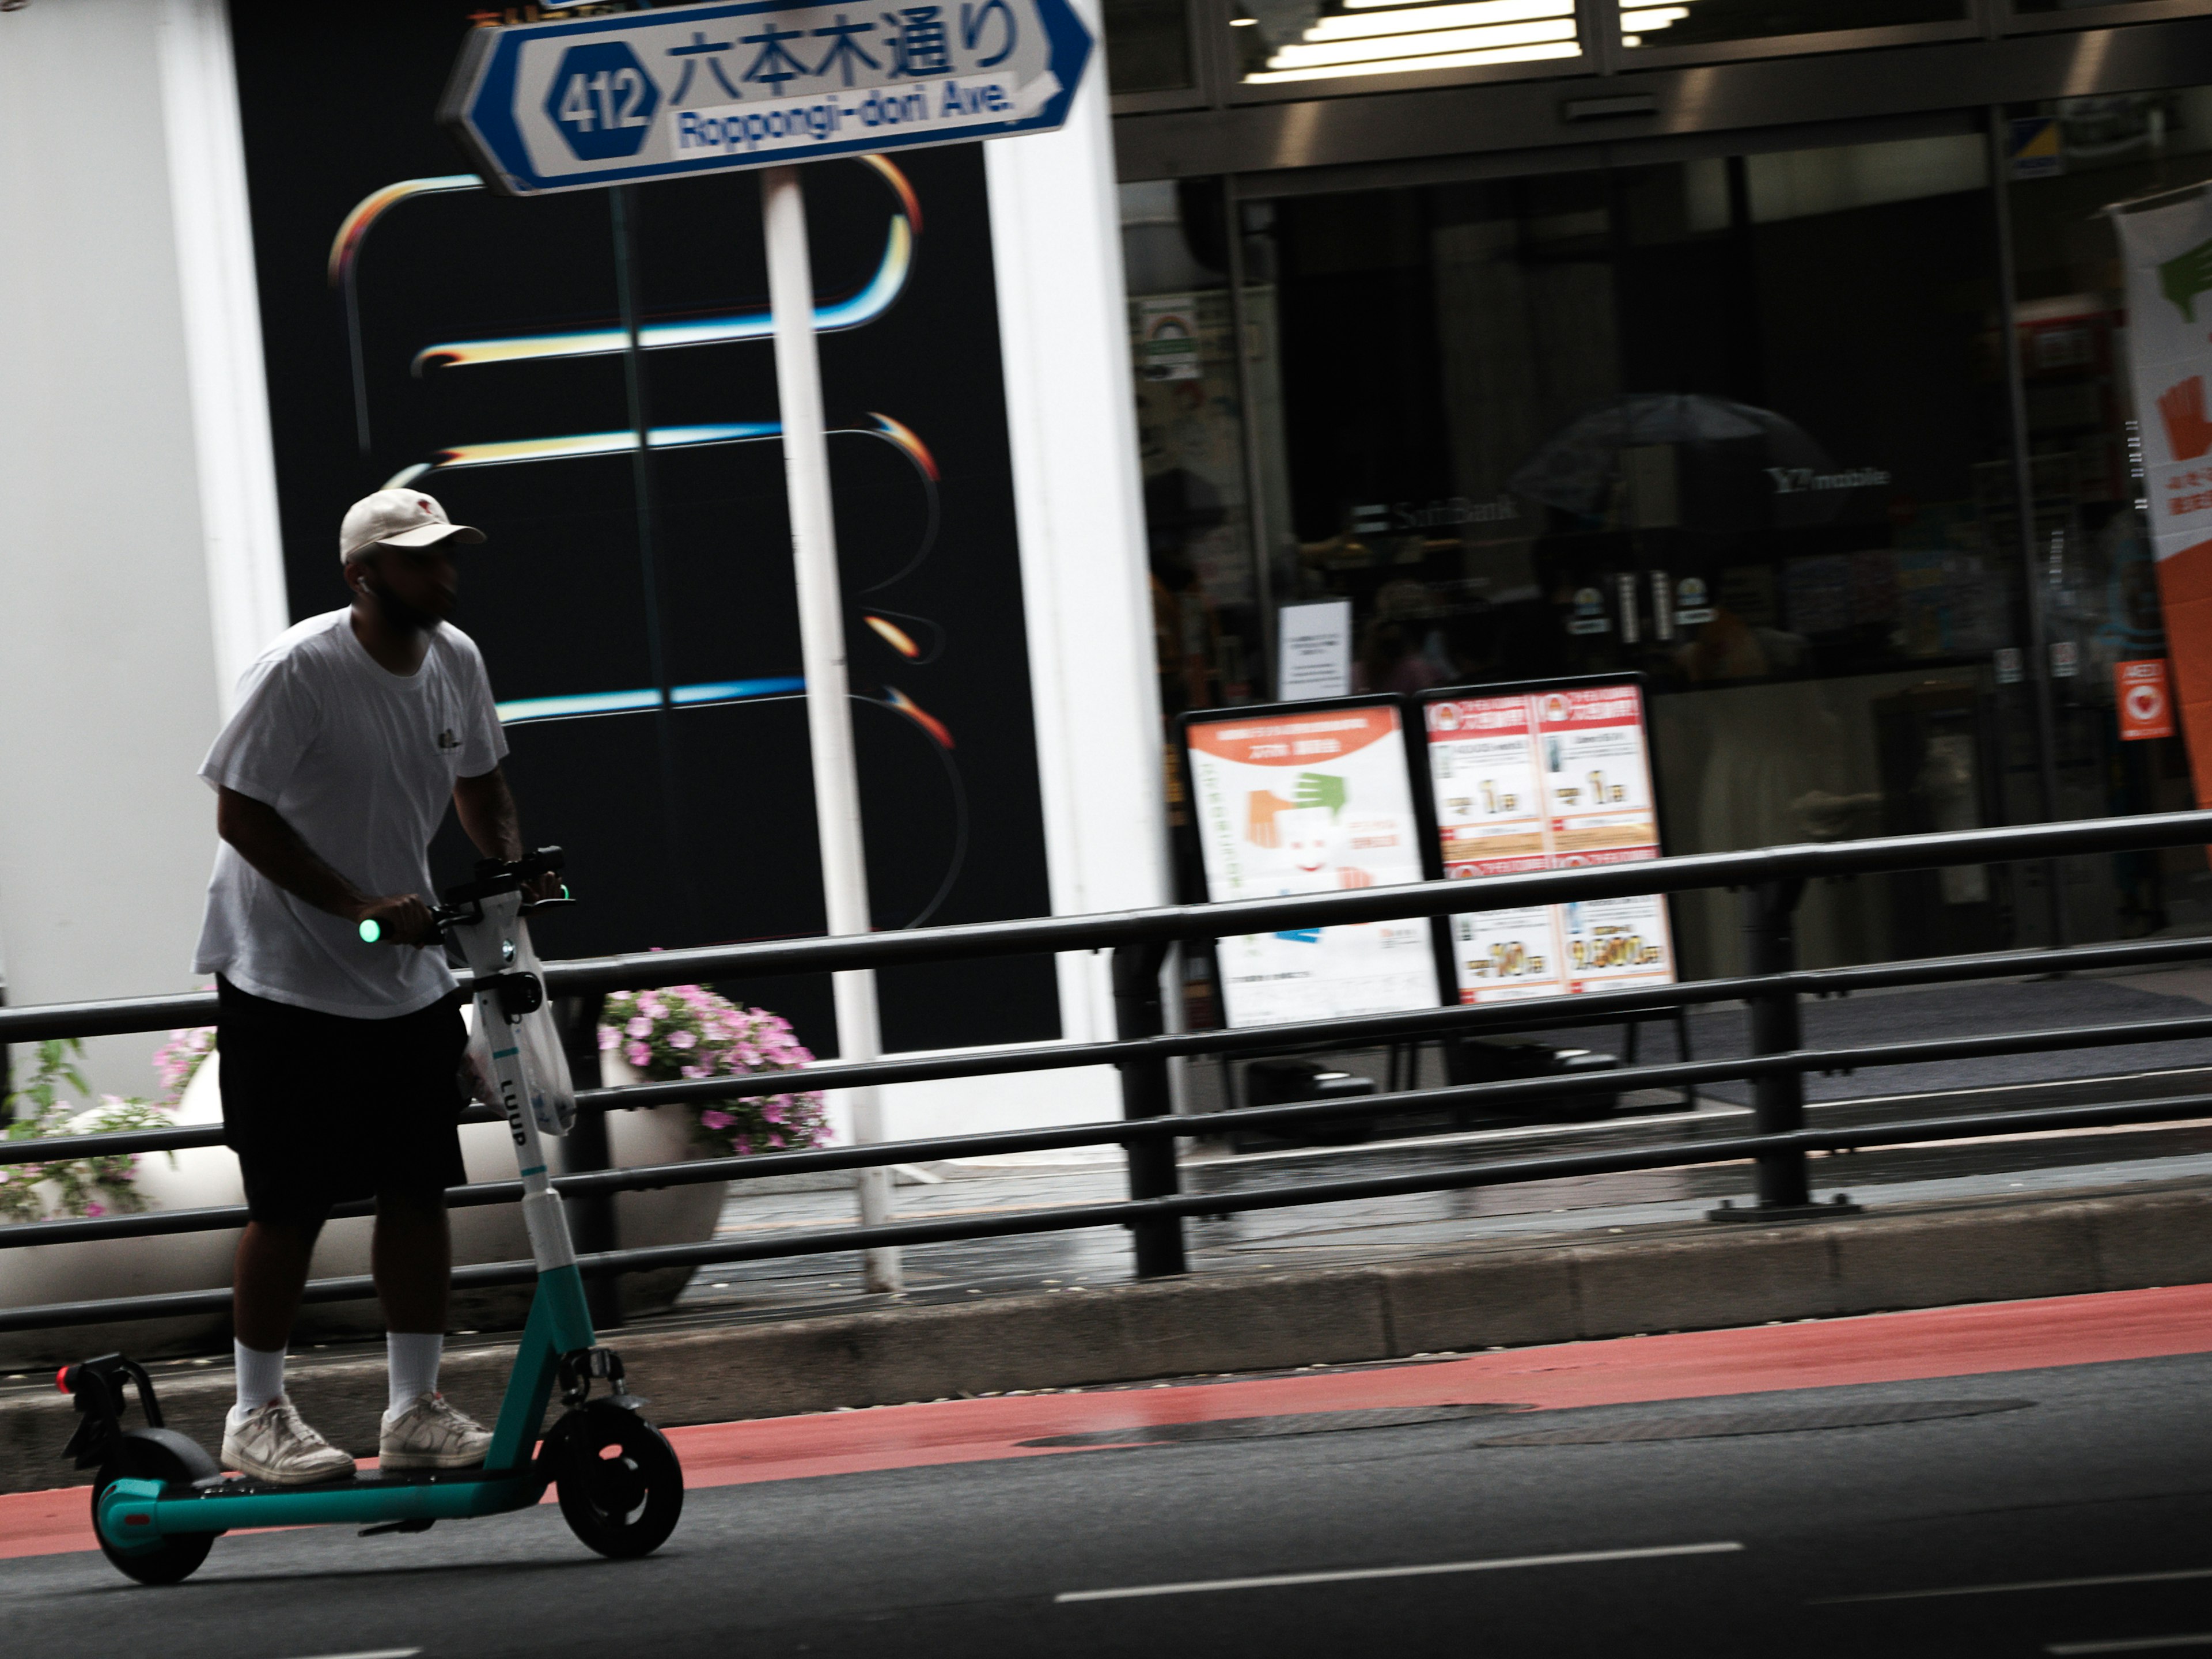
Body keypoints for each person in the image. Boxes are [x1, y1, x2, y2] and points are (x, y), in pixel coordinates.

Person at [192, 488, 553, 1485]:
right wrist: (358, 903)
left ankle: (415, 1411)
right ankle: (255, 1416)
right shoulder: (300, 672)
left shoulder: (456, 660)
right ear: (363, 576)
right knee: (289, 1204)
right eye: (419, 560)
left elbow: (480, 783)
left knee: (416, 1189)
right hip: (284, 976)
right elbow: (241, 817)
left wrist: (515, 870)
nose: (442, 574)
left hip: (402, 975)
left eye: (447, 556)